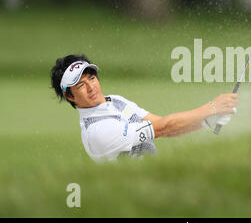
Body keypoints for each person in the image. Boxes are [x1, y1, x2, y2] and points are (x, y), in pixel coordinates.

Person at [50, 54, 238, 163]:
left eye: (92, 78)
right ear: (69, 95)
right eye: (81, 85)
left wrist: (205, 122)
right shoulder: (98, 131)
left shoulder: (114, 101)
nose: (91, 87)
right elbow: (163, 128)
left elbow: (163, 127)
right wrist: (211, 108)